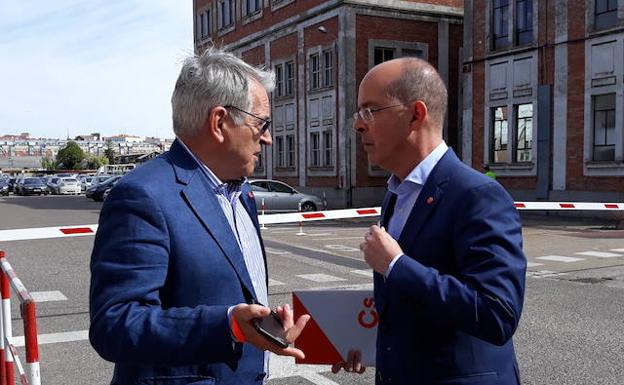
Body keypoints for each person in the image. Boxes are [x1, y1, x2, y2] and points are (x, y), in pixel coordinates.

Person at [89, 47, 309, 385]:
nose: (267, 137)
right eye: (261, 123)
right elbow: (115, 324)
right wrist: (228, 324)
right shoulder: (143, 195)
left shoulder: (242, 193)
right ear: (220, 122)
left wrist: (262, 324)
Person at [332, 57, 526, 384]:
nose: (358, 124)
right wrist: (364, 341)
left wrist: (397, 265)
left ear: (416, 114)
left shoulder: (477, 194)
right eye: (358, 113)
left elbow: (498, 314)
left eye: (370, 110)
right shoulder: (395, 192)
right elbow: (412, 304)